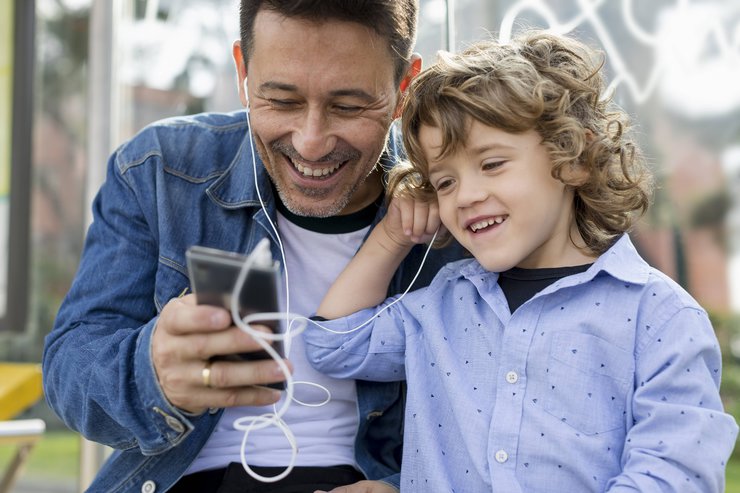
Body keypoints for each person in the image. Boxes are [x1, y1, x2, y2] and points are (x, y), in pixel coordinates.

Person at [42, 1, 464, 492]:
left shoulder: (459, 202)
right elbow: (70, 370)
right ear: (243, 71)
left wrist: (405, 486)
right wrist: (150, 372)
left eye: (348, 106)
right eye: (281, 101)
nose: (311, 143)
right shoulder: (159, 171)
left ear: (403, 89)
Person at [306, 31, 739, 492]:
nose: (467, 195)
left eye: (492, 164)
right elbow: (334, 343)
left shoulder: (660, 318)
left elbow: (673, 476)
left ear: (573, 158)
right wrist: (393, 234)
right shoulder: (445, 302)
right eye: (445, 182)